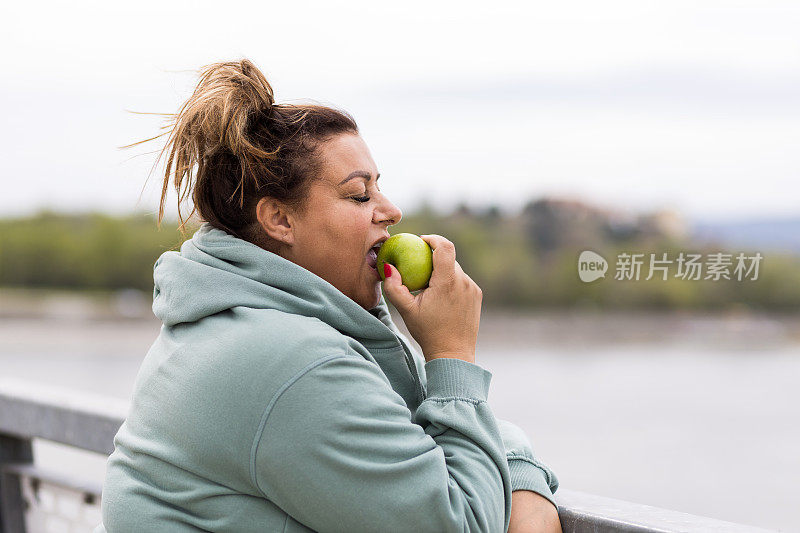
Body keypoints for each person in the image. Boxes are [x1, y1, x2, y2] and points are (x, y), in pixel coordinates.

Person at [95, 58, 560, 533]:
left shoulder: (231, 325)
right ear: (280, 219)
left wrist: (515, 465)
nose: (391, 211)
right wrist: (452, 356)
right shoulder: (292, 362)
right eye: (360, 195)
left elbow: (419, 440)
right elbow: (459, 524)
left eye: (379, 188)